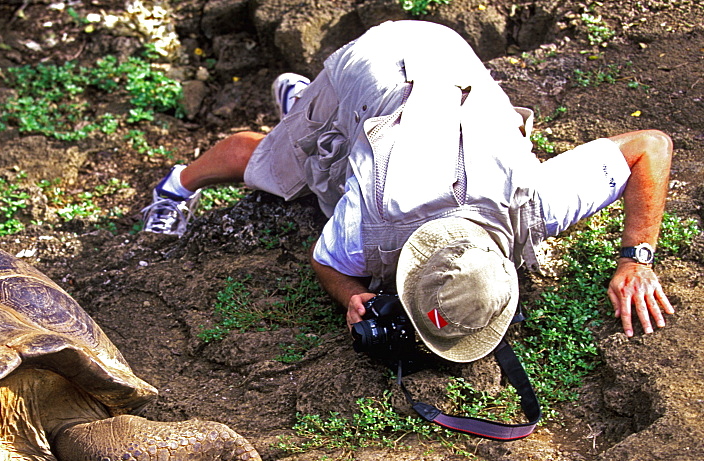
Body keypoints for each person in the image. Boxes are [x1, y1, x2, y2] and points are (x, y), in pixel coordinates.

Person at [140, 20, 674, 362]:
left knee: (329, 147)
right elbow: (324, 260)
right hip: (380, 60)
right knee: (280, 172)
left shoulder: (536, 204)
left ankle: (313, 108)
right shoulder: (367, 223)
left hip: (447, 60)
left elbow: (650, 146)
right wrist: (352, 295)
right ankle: (176, 185)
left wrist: (637, 258)